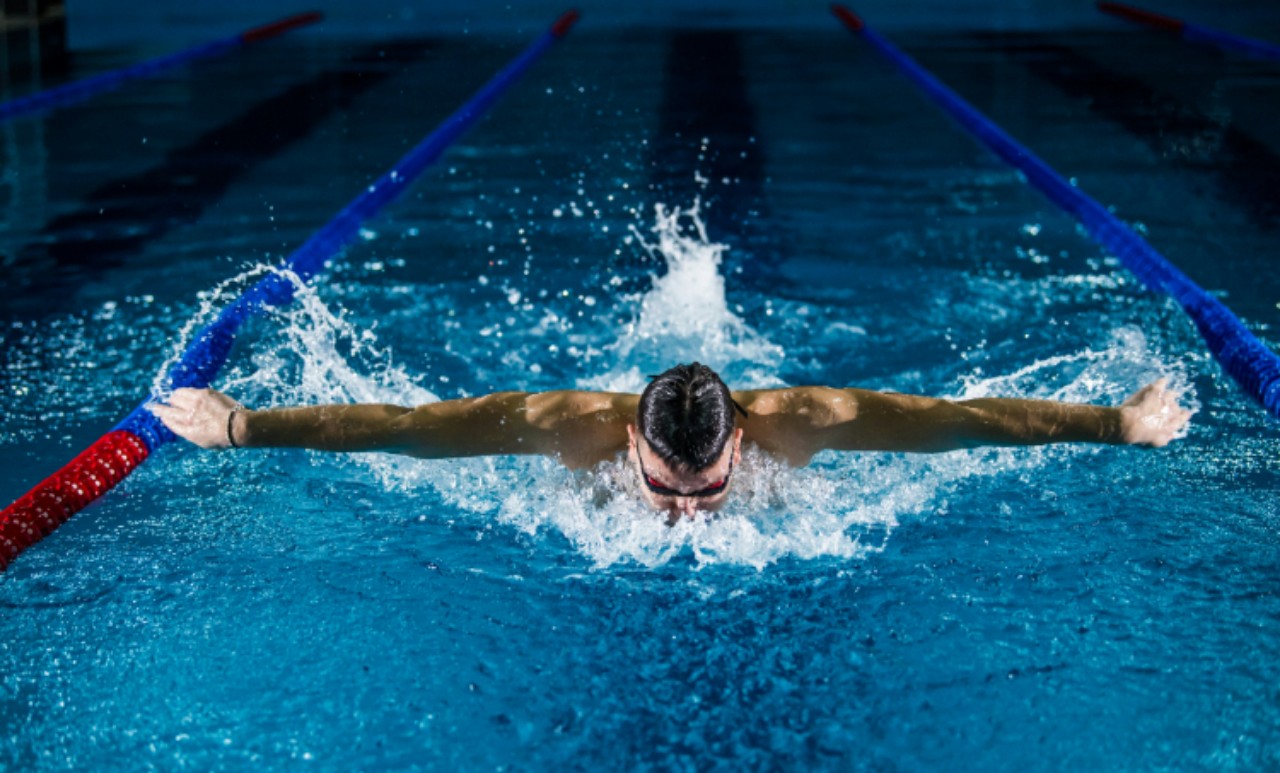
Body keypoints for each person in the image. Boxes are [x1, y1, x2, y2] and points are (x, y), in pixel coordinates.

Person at [150, 362, 1191, 521]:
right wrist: (241, 425)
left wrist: (1117, 423)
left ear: (742, 435)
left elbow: (963, 420)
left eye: (702, 489)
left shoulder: (808, 420)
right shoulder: (567, 428)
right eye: (663, 485)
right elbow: (408, 431)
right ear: (631, 445)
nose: (683, 512)